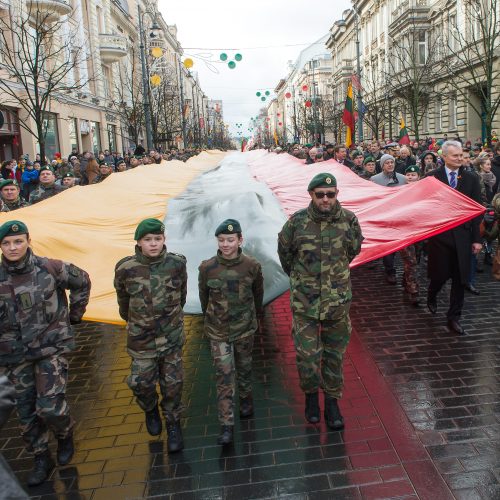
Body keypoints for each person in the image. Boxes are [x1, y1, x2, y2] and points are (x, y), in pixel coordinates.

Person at [0, 220, 90, 486]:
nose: (13, 247)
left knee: (51, 407)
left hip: (50, 349)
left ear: (28, 240)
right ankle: (41, 456)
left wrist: (75, 314)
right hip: (13, 356)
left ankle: (64, 434)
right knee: (26, 413)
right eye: (6, 243)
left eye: (18, 241)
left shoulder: (50, 268)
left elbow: (82, 281)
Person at [277, 173, 363, 430]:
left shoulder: (349, 220)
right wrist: (303, 280)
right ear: (311, 195)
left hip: (337, 304)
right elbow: (285, 254)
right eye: (320, 195)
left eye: (331, 194)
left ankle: (333, 403)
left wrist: (333, 278)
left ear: (336, 194)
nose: (326, 199)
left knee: (334, 356)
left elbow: (353, 250)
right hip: (305, 304)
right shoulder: (296, 223)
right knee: (307, 357)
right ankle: (311, 396)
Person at [114, 218, 186, 453]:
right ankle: (150, 408)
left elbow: (182, 295)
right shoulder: (126, 268)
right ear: (139, 242)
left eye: (157, 239)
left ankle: (173, 424)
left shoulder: (176, 263)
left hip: (171, 337)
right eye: (148, 240)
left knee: (173, 385)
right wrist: (136, 322)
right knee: (140, 382)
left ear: (164, 240)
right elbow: (124, 303)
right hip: (141, 340)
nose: (153, 244)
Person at [198, 219, 264, 446]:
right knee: (224, 376)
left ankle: (246, 399)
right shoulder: (207, 267)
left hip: (244, 329)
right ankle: (226, 424)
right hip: (218, 331)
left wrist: (255, 319)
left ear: (240, 240)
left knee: (244, 368)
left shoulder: (251, 265)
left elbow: (257, 296)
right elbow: (204, 297)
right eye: (221, 240)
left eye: (230, 240)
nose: (225, 244)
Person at [425, 141, 483, 335]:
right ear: (444, 157)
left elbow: (477, 211)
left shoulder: (471, 178)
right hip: (440, 237)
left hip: (464, 236)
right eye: (455, 156)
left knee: (460, 279)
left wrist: (476, 239)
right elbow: (424, 207)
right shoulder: (432, 178)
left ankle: (454, 317)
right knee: (439, 276)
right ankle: (431, 294)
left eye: (461, 155)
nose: (460, 159)